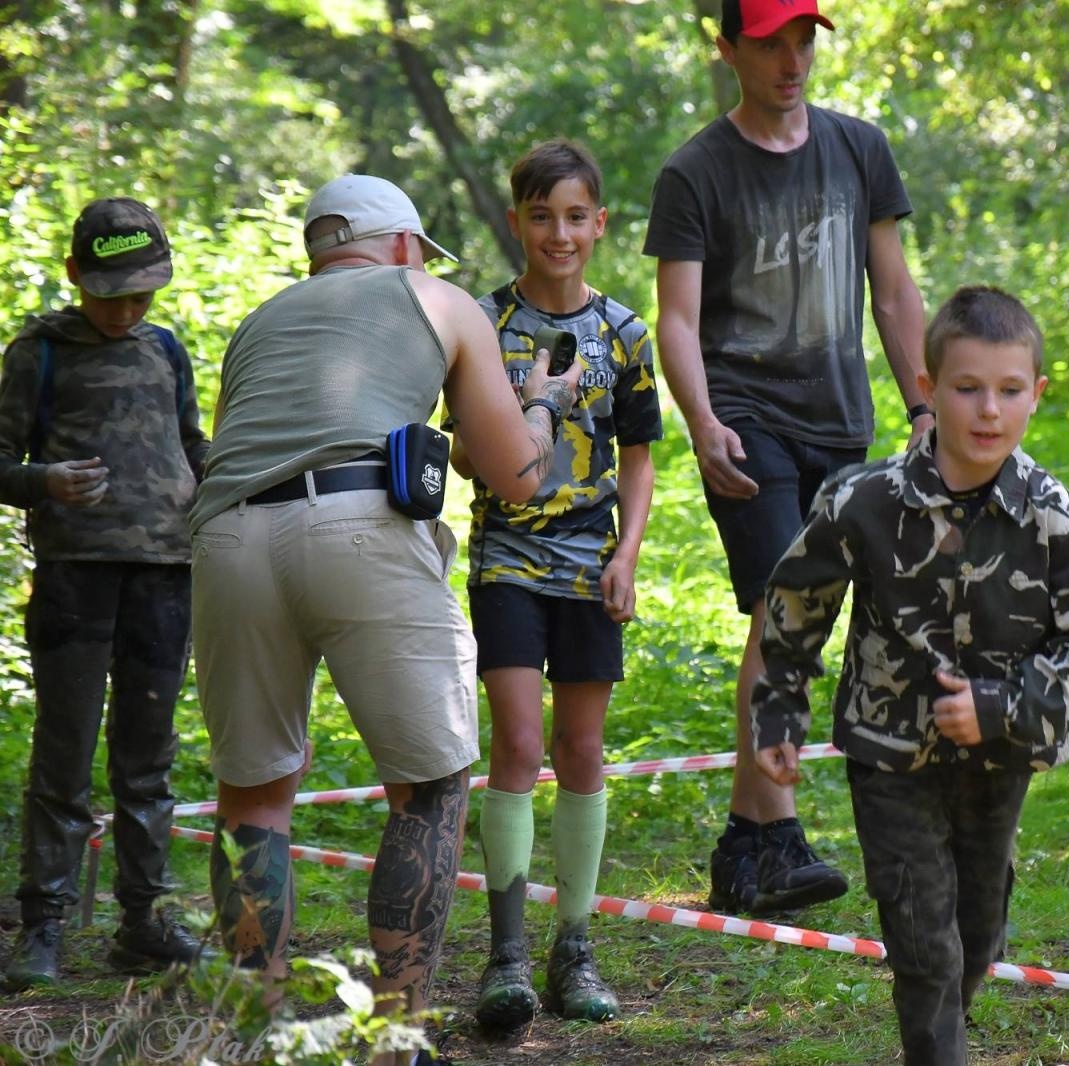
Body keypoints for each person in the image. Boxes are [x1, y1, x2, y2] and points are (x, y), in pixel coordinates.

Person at [190, 174, 582, 1063]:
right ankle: (394, 1034)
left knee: (251, 798)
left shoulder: (261, 323)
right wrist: (543, 403)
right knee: (432, 787)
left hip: (227, 537)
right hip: (362, 522)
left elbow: (231, 446)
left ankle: (259, 1031)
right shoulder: (435, 297)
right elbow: (516, 475)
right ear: (403, 244)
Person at [752, 286, 1069, 1065]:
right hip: (890, 758)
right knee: (925, 946)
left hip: (1002, 758)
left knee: (979, 934)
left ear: (1036, 396)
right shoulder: (863, 502)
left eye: (1009, 390)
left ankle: (940, 1036)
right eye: (967, 388)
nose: (988, 410)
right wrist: (778, 711)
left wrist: (1002, 706)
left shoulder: (1054, 516)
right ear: (928, 388)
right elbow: (795, 603)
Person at [643, 0, 931, 918]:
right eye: (767, 41)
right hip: (748, 418)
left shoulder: (859, 148)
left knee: (810, 615)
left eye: (803, 37)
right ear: (725, 47)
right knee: (784, 606)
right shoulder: (695, 171)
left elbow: (891, 292)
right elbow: (678, 323)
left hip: (840, 422)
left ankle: (748, 839)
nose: (790, 58)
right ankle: (774, 834)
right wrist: (700, 420)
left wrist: (924, 403)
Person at [451, 139, 661, 1029]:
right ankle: (505, 958)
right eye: (542, 216)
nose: (559, 232)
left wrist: (628, 554)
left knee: (580, 751)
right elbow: (459, 447)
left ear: (600, 224)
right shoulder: (480, 325)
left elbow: (643, 456)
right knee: (519, 742)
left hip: (589, 562)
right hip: (506, 557)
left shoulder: (624, 333)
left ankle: (573, 948)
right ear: (516, 222)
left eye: (575, 216)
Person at [0, 198, 209, 989]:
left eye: (142, 292)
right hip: (74, 580)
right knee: (64, 755)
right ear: (74, 277)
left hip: (165, 575)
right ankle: (42, 927)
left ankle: (143, 922)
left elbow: (192, 440)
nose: (128, 308)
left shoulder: (165, 349)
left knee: (148, 757)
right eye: (112, 291)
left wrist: (223, 475)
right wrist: (41, 481)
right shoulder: (40, 352)